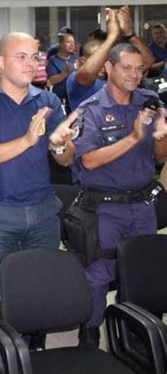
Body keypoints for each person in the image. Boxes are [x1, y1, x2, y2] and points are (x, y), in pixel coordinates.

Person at [0, 32, 79, 364]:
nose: (31, 64)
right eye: (21, 57)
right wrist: (28, 140)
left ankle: (27, 354)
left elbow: (65, 160)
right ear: (0, 61)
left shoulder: (48, 100)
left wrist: (59, 143)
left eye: (35, 57)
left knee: (34, 288)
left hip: (42, 210)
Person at [72, 42, 167, 347]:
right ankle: (89, 333)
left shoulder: (150, 101)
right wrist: (134, 137)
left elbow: (159, 155)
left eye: (139, 69)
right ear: (108, 68)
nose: (135, 75)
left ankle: (138, 333)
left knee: (142, 272)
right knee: (100, 274)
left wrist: (161, 138)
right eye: (127, 67)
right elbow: (88, 159)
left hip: (143, 204)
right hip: (104, 208)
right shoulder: (91, 110)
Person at [67, 6, 155, 111]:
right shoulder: (75, 79)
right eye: (99, 59)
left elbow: (148, 61)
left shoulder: (116, 76)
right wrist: (112, 36)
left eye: (106, 59)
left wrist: (130, 35)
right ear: (83, 60)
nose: (103, 64)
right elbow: (87, 73)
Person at [47, 32, 78, 111]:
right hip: (61, 99)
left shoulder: (76, 58)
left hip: (75, 97)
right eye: (68, 42)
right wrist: (65, 73)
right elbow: (52, 80)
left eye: (73, 43)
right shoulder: (53, 60)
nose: (71, 45)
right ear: (60, 44)